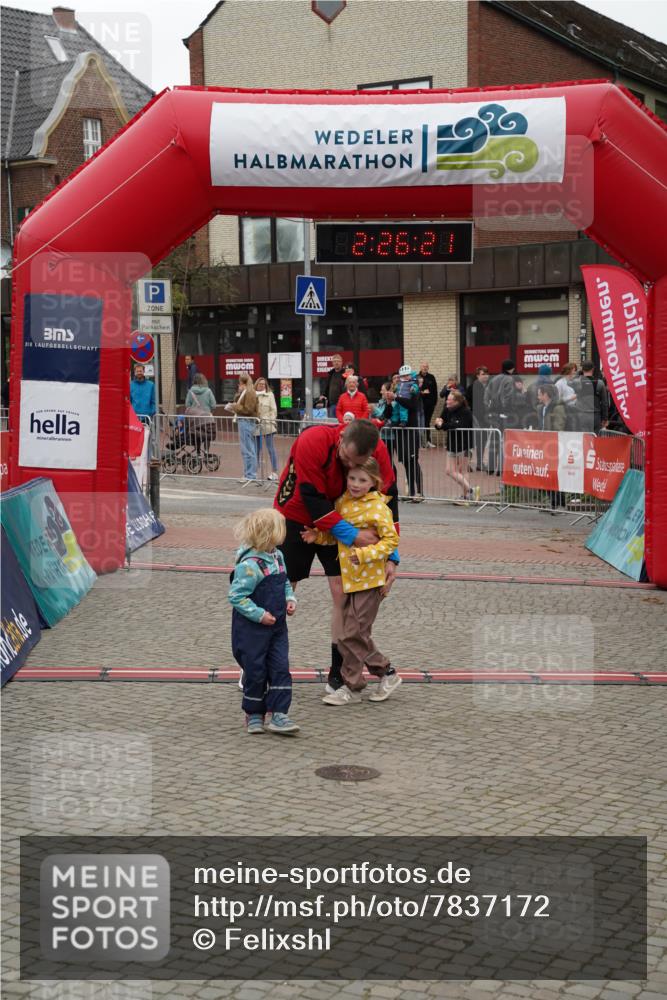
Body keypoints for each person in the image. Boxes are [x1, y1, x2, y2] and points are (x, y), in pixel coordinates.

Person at [274, 418, 398, 693]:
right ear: (341, 437)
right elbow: (312, 498)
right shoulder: (312, 441)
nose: (347, 466)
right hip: (297, 515)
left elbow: (389, 500)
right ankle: (263, 662)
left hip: (342, 518)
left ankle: (338, 672)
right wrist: (354, 536)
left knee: (342, 592)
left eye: (355, 462)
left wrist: (392, 558)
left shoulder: (377, 450)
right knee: (281, 587)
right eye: (345, 458)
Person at [302, 457, 401, 706]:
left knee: (351, 634)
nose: (356, 484)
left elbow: (391, 542)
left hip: (371, 581)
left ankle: (352, 687)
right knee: (357, 634)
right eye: (352, 478)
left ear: (373, 482)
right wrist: (319, 536)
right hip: (351, 579)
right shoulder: (342, 502)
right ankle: (387, 674)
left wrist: (365, 554)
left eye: (362, 480)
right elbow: (336, 534)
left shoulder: (379, 508)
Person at [228, 508, 300, 735]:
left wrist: (290, 598)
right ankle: (254, 712)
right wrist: (259, 614)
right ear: (271, 534)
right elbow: (236, 596)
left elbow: (285, 582)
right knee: (256, 669)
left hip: (277, 626)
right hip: (252, 629)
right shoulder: (249, 566)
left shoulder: (278, 557)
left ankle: (279, 713)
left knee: (280, 667)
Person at [391, 364, 425, 502]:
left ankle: (420, 492)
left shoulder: (413, 388)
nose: (403, 378)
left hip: (410, 428)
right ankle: (410, 492)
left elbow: (412, 405)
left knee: (413, 461)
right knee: (405, 461)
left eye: (406, 375)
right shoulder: (398, 389)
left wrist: (396, 398)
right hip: (400, 430)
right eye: (401, 377)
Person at [435, 390, 477, 500]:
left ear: (457, 401)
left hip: (464, 444)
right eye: (447, 399)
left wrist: (443, 425)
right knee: (449, 470)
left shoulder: (466, 411)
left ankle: (465, 496)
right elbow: (439, 422)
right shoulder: (447, 409)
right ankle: (471, 490)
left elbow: (457, 425)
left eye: (449, 400)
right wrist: (439, 424)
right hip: (452, 444)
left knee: (462, 470)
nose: (447, 401)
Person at [484, 360, 524, 473]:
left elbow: (486, 396)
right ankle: (502, 469)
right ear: (510, 368)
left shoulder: (494, 379)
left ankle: (491, 467)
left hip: (493, 413)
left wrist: (489, 409)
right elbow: (509, 396)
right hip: (505, 414)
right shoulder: (509, 379)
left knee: (494, 439)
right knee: (504, 441)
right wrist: (507, 410)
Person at [227, 372, 259, 482]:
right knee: (247, 449)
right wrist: (238, 396)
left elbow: (248, 409)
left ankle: (250, 475)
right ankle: (248, 473)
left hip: (246, 421)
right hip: (244, 421)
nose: (238, 385)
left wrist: (234, 406)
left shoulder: (249, 392)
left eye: (239, 383)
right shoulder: (246, 391)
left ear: (243, 382)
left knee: (248, 449)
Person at [465, 366, 490, 470]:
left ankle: (480, 463)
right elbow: (467, 401)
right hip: (475, 418)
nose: (485, 376)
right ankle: (466, 463)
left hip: (485, 418)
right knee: (471, 442)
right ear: (477, 375)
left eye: (486, 374)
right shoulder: (472, 387)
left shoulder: (488, 386)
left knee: (482, 441)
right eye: (483, 374)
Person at [254, 377, 279, 481]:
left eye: (264, 384)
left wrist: (269, 420)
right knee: (256, 450)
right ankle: (254, 472)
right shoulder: (253, 395)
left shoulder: (270, 395)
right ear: (256, 385)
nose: (262, 386)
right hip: (256, 425)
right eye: (260, 384)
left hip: (267, 424)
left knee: (271, 448)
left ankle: (274, 471)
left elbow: (273, 410)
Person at [574, 361, 609, 433]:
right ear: (593, 369)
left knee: (584, 440)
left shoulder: (577, 383)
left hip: (581, 415)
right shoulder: (600, 383)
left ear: (582, 369)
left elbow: (570, 382)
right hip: (595, 416)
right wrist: (605, 418)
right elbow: (604, 403)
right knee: (596, 440)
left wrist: (579, 373)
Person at [418, 361, 438, 446]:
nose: (425, 368)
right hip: (420, 404)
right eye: (423, 366)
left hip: (430, 404)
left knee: (427, 422)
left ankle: (428, 440)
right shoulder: (417, 377)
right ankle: (421, 441)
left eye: (426, 366)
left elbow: (435, 390)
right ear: (420, 367)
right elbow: (415, 390)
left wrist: (434, 402)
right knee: (420, 422)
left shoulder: (431, 377)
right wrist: (422, 392)